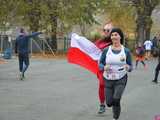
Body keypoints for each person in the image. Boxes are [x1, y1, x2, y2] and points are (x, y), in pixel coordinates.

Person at [99, 28, 132, 120]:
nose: (114, 36)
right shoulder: (106, 50)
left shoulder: (126, 51)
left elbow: (130, 66)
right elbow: (100, 64)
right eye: (112, 35)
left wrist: (128, 67)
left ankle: (115, 117)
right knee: (109, 103)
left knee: (116, 99)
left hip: (121, 78)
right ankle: (113, 105)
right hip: (108, 79)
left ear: (120, 36)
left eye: (116, 34)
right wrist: (103, 67)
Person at [94, 23, 113, 114]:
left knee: (111, 86)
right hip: (102, 68)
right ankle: (102, 105)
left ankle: (113, 98)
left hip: (114, 69)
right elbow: (91, 49)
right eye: (104, 30)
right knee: (102, 84)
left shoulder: (115, 41)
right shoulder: (99, 42)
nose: (105, 32)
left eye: (108, 30)